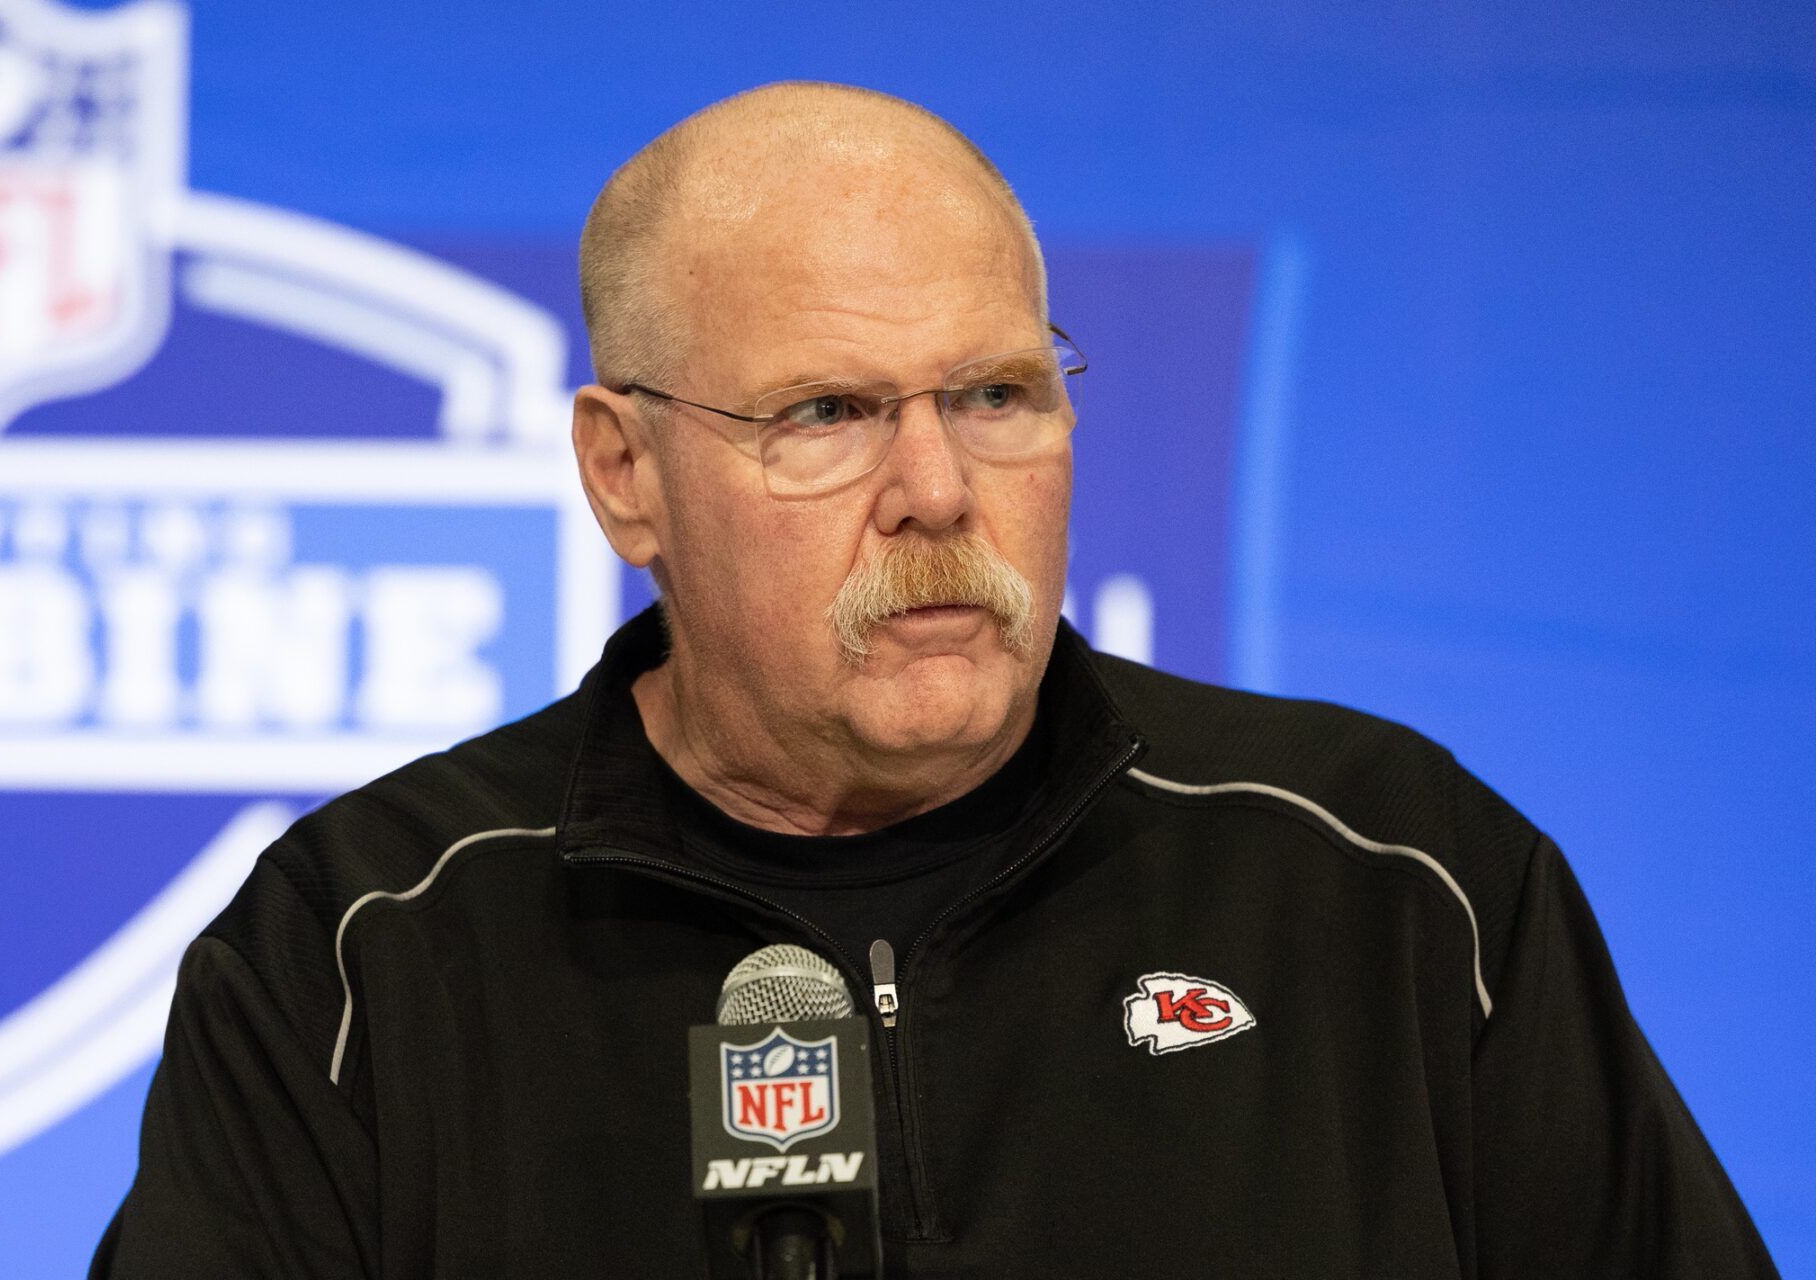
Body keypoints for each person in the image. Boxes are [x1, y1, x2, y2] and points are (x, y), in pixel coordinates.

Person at [92, 82, 1778, 1277]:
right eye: (826, 413)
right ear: (625, 475)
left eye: (995, 394)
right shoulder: (363, 951)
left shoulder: (1394, 881)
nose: (939, 490)